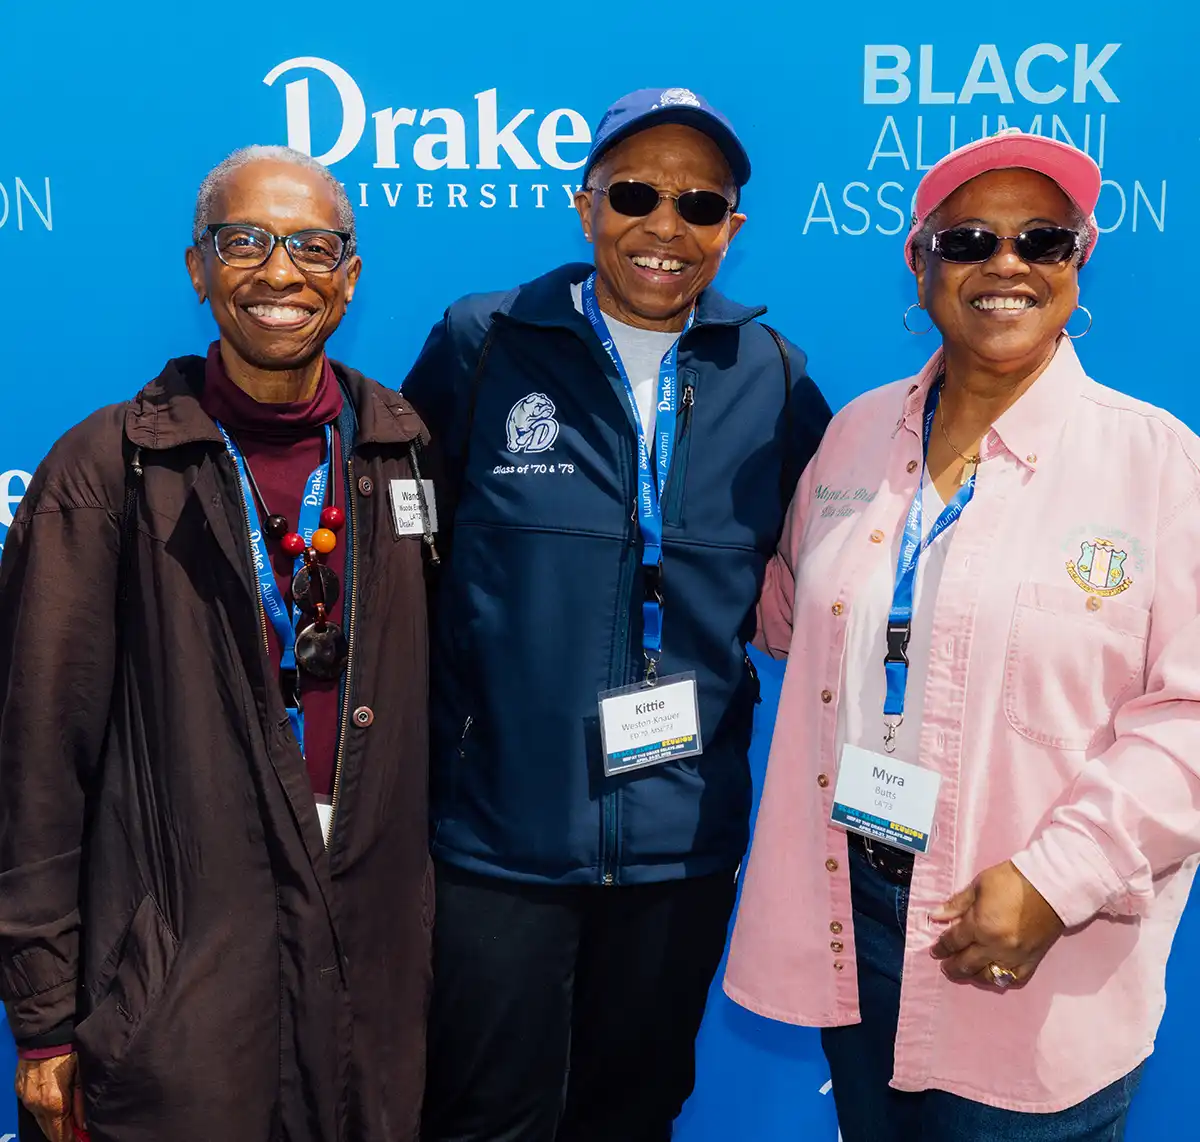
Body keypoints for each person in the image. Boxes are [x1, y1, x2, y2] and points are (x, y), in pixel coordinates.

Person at [723, 127, 1200, 1140]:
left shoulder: (1159, 463)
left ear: (1079, 261)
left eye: (1044, 239)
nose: (1007, 265)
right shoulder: (851, 433)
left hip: (1032, 943)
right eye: (970, 239)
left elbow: (1191, 721)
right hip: (853, 914)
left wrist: (1053, 880)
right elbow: (790, 613)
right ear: (921, 261)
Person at [402, 87, 830, 1141]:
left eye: (699, 204)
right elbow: (405, 550)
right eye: (636, 192)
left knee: (632, 1113)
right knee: (481, 1114)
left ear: (732, 229)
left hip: (678, 843)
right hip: (498, 833)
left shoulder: (772, 375)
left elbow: (833, 566)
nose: (664, 227)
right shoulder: (485, 342)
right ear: (585, 203)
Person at [0, 146, 438, 1142]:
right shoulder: (105, 468)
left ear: (351, 274)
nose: (280, 273)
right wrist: (44, 1018)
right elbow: (34, 766)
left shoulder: (400, 450)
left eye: (311, 246)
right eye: (244, 242)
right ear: (197, 269)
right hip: (177, 998)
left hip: (369, 995)